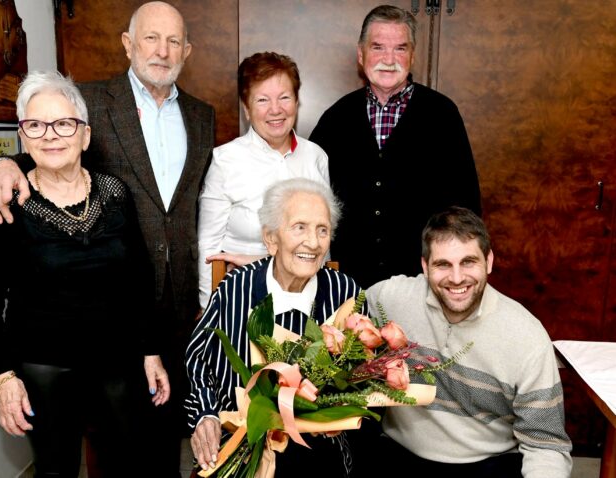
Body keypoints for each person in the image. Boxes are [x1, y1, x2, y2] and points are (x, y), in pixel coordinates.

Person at [0, 3, 215, 475]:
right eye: (150, 38)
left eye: (173, 41)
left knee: (156, 442)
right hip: (60, 345)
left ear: (186, 51)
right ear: (128, 44)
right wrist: (0, 164)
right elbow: (48, 144)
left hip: (162, 309)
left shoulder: (202, 116)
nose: (161, 51)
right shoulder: (86, 101)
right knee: (74, 457)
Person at [0, 71, 169, 477]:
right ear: (23, 136)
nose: (51, 135)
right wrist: (3, 379)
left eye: (64, 123)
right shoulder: (8, 204)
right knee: (55, 468)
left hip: (118, 360)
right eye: (36, 125)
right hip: (44, 369)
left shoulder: (115, 193)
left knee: (126, 464)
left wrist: (150, 351)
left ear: (85, 135)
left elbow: (140, 278)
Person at [364, 206, 572, 478]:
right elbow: (342, 313)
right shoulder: (390, 298)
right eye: (443, 264)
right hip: (400, 454)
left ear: (489, 261)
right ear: (425, 267)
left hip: (488, 462)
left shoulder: (526, 336)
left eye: (468, 262)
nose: (457, 277)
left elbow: (546, 444)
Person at [187, 178, 365, 477]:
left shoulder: (344, 293)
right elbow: (199, 358)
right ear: (270, 239)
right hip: (243, 440)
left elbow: (362, 376)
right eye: (300, 227)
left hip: (317, 448)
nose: (313, 242)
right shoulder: (236, 288)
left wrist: (341, 412)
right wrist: (205, 414)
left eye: (323, 230)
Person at [309, 4, 482, 288]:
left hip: (423, 283)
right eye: (378, 47)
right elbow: (310, 196)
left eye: (400, 49)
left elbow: (466, 204)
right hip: (350, 283)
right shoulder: (335, 118)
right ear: (361, 54)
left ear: (412, 56)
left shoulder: (443, 115)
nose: (389, 59)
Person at [198, 51, 330, 308]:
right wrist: (208, 310)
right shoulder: (226, 160)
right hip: (243, 297)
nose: (275, 110)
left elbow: (323, 238)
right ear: (247, 108)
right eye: (262, 100)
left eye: (284, 98)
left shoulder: (316, 157)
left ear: (296, 102)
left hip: (305, 296)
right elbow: (209, 245)